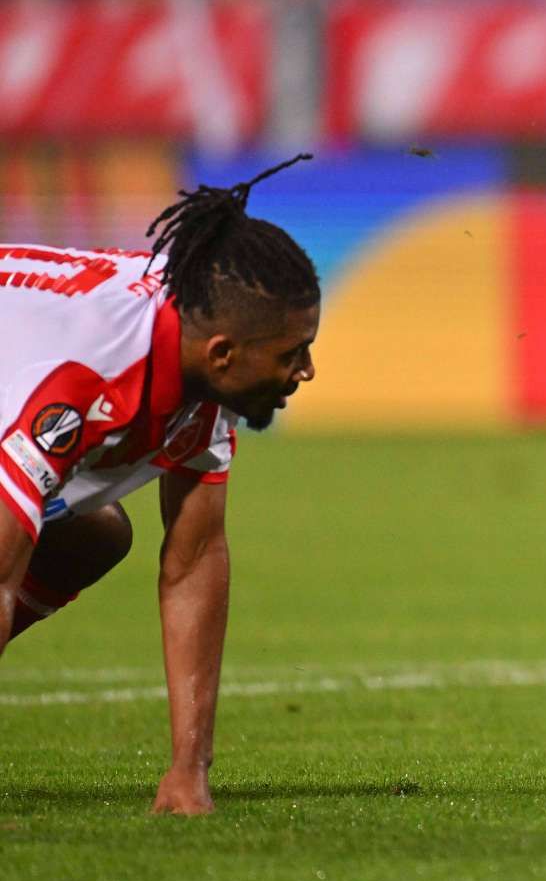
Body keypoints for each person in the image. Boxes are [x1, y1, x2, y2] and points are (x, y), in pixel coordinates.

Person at [0, 157, 321, 813]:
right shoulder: (87, 376)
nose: (307, 370)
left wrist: (188, 769)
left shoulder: (203, 359)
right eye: (292, 353)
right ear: (223, 353)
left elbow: (195, 558)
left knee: (95, 534)